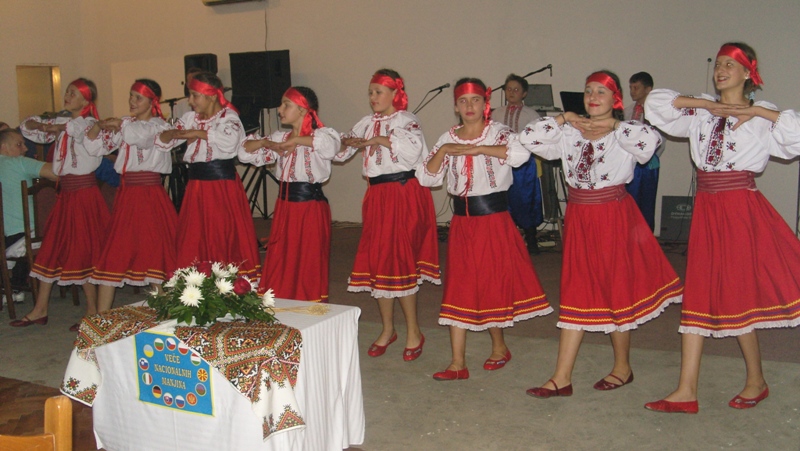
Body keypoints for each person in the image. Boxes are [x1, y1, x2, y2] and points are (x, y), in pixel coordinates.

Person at [643, 42, 800, 414]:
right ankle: (690, 389)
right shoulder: (701, 110)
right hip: (708, 208)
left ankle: (750, 381)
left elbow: (795, 135)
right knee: (702, 291)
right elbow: (656, 104)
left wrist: (755, 110)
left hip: (740, 209)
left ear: (748, 73)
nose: (721, 69)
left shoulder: (763, 115)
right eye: (719, 63)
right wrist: (709, 106)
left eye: (731, 64)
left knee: (736, 291)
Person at [520, 70, 683, 398]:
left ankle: (622, 367)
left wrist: (613, 125)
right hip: (580, 218)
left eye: (601, 92)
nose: (593, 97)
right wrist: (565, 118)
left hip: (612, 216)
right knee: (576, 289)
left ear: (615, 99)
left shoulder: (625, 132)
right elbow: (528, 138)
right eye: (588, 91)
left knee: (615, 289)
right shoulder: (570, 133)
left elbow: (650, 144)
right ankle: (562, 377)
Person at [418, 77, 552, 380]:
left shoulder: (500, 133)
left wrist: (479, 150)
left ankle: (499, 347)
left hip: (493, 220)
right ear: (456, 106)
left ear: (485, 104)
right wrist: (445, 149)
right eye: (463, 101)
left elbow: (520, 156)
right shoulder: (448, 136)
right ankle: (457, 363)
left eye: (475, 100)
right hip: (462, 223)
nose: (469, 106)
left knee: (492, 282)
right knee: (459, 285)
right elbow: (427, 177)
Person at [334, 69, 441, 361]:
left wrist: (377, 140)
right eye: (370, 92)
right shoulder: (366, 123)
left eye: (378, 92)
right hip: (378, 196)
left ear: (395, 94)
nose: (373, 97)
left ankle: (414, 331)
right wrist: (344, 142)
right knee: (379, 260)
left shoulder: (407, 121)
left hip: (403, 194)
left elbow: (412, 152)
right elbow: (340, 152)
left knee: (401, 262)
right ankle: (387, 329)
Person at [12, 78, 111, 328]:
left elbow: (78, 133)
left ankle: (92, 311)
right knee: (52, 246)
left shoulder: (89, 125)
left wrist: (56, 127)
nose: (67, 96)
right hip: (66, 194)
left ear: (86, 100)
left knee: (82, 250)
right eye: (67, 92)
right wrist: (43, 125)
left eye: (73, 93)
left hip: (84, 194)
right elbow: (27, 126)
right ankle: (40, 308)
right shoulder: (63, 122)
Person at [157, 72, 260, 280]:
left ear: (212, 97)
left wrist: (197, 133)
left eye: (195, 96)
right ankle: (196, 280)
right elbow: (164, 140)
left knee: (220, 233)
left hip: (220, 185)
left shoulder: (228, 117)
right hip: (196, 185)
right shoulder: (190, 118)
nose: (190, 101)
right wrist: (173, 133)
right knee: (195, 234)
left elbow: (229, 142)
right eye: (190, 95)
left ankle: (225, 281)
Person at [241, 87, 340, 302]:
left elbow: (331, 148)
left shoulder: (322, 135)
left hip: (309, 206)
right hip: (285, 206)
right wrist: (265, 143)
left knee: (307, 259)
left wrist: (296, 141)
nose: (280, 109)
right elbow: (244, 150)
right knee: (281, 256)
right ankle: (281, 301)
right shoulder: (280, 137)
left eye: (286, 104)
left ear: (303, 110)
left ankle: (308, 305)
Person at [87, 79, 178, 310]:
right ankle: (101, 317)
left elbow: (140, 136)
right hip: (126, 194)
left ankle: (166, 311)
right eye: (130, 96)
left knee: (155, 249)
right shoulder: (128, 124)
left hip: (148, 194)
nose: (132, 101)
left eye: (138, 97)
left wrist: (120, 125)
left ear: (152, 102)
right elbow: (97, 147)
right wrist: (98, 126)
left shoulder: (158, 126)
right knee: (115, 249)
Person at [0, 129, 58, 302]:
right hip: (29, 235)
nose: (25, 149)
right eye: (19, 144)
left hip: (8, 237)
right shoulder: (19, 163)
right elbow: (57, 173)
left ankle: (11, 286)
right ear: (3, 147)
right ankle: (15, 285)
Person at [491, 74, 543, 253]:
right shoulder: (496, 113)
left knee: (525, 199)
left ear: (524, 93)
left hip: (523, 166)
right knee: (503, 199)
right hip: (501, 162)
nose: (511, 92)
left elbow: (538, 139)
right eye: (508, 89)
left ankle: (531, 239)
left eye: (516, 89)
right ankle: (506, 241)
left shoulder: (531, 115)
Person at [624, 72, 664, 232]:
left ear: (648, 89)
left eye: (636, 87)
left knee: (646, 203)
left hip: (648, 164)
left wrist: (648, 157)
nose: (632, 91)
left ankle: (646, 237)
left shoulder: (656, 111)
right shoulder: (627, 111)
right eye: (630, 87)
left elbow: (661, 139)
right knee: (629, 201)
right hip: (630, 163)